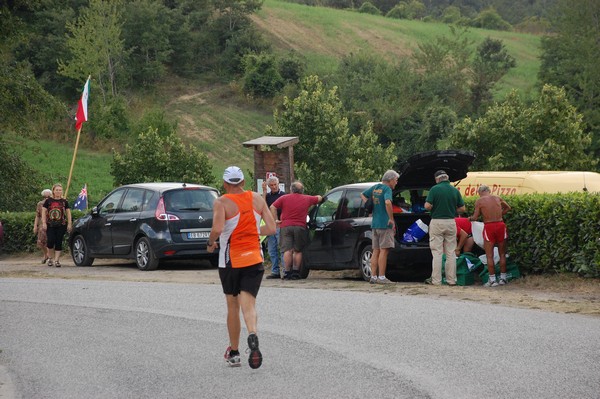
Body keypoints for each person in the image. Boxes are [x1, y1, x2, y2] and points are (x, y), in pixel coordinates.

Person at [206, 166, 276, 369]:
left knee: (232, 305)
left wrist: (211, 243)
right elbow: (271, 228)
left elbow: (218, 229)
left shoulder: (222, 202)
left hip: (231, 260)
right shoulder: (257, 198)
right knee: (249, 304)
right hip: (254, 258)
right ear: (243, 182)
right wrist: (253, 231)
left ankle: (235, 353)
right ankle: (252, 333)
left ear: (225, 184)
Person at [270, 181, 322, 280]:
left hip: (285, 226)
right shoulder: (307, 198)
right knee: (298, 250)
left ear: (291, 189)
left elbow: (272, 207)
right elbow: (319, 198)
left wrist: (275, 220)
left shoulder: (284, 198)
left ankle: (287, 272)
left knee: (287, 250)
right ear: (302, 190)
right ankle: (296, 272)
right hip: (300, 226)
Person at [424, 170, 465, 286]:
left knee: (437, 252)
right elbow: (462, 209)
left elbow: (427, 206)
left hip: (437, 222)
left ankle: (436, 281)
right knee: (451, 252)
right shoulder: (454, 190)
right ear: (447, 178)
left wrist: (433, 207)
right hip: (451, 222)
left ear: (437, 179)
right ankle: (451, 280)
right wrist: (452, 210)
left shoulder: (434, 189)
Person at [360, 170, 399, 284]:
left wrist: (370, 205)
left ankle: (373, 276)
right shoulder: (387, 189)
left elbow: (362, 194)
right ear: (390, 180)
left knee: (375, 250)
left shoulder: (375, 187)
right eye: (396, 180)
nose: (396, 183)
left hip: (375, 223)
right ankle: (382, 277)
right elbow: (387, 202)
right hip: (384, 224)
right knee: (384, 250)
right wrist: (391, 218)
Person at [470, 184, 511, 287]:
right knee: (502, 253)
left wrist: (469, 219)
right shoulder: (497, 198)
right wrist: (500, 215)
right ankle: (503, 278)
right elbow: (508, 208)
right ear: (489, 191)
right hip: (501, 225)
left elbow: (475, 217)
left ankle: (492, 280)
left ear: (479, 193)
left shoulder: (479, 201)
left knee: (489, 255)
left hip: (489, 226)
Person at [41, 183, 72, 268]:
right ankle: (50, 258)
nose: (58, 191)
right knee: (50, 241)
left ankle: (57, 260)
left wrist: (69, 223)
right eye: (57, 190)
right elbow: (43, 212)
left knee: (59, 241)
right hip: (50, 224)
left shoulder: (64, 201)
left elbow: (68, 213)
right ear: (53, 191)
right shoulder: (48, 201)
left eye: (60, 190)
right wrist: (44, 222)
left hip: (61, 224)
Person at [261, 176, 285, 279]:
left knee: (282, 249)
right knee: (271, 250)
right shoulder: (268, 196)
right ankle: (275, 271)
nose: (274, 187)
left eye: (275, 184)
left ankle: (285, 270)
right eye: (271, 185)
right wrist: (264, 192)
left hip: (280, 224)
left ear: (278, 184)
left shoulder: (283, 195)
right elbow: (262, 205)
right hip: (271, 225)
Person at [33, 189, 52, 264]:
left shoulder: (52, 203)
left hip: (51, 224)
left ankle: (48, 256)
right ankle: (46, 254)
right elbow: (37, 216)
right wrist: (35, 226)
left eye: (48, 196)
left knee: (49, 241)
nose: (46, 198)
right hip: (42, 225)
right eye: (45, 196)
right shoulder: (40, 204)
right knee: (41, 241)